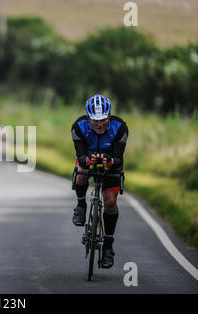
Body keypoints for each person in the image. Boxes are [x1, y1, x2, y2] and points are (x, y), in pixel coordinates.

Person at [70, 94, 129, 269]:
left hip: (111, 163)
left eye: (103, 119)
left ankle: (108, 247)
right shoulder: (78, 127)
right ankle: (81, 205)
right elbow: (80, 156)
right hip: (87, 160)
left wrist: (110, 161)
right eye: (95, 120)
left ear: (109, 116)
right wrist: (88, 160)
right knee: (81, 173)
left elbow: (118, 157)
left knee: (110, 203)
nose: (100, 124)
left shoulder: (120, 128)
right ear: (88, 118)